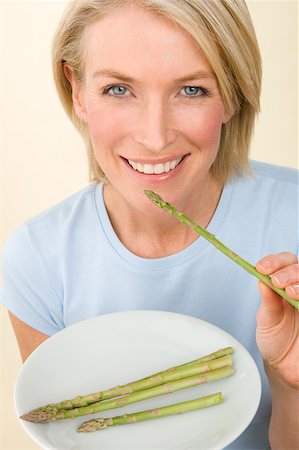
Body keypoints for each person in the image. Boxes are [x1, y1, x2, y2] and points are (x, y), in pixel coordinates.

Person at [1, 0, 298, 448]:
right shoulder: (36, 256)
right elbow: (68, 433)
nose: (154, 137)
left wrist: (291, 386)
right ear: (78, 91)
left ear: (233, 94)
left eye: (192, 90)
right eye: (119, 89)